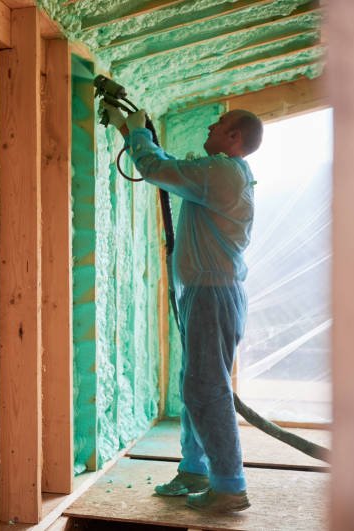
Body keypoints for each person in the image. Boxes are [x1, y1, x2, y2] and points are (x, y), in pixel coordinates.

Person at [102, 102, 263, 513]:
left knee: (205, 388)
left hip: (212, 294)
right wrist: (127, 128)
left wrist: (137, 132)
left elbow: (159, 169)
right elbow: (167, 166)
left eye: (220, 122)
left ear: (235, 137)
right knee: (196, 384)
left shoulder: (224, 172)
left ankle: (229, 485)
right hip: (202, 293)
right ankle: (195, 469)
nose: (212, 123)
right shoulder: (217, 173)